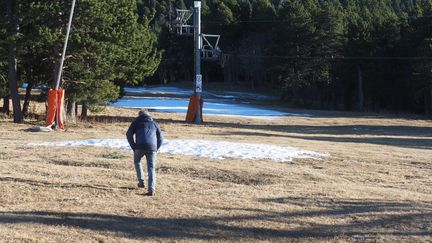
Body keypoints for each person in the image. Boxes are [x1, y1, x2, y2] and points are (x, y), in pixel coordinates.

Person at [126, 109, 163, 196]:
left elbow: (128, 134)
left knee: (137, 162)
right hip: (152, 148)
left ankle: (141, 182)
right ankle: (151, 189)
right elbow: (161, 138)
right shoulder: (155, 123)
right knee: (151, 168)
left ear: (139, 115)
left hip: (139, 147)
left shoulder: (136, 122)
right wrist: (156, 148)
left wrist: (133, 146)